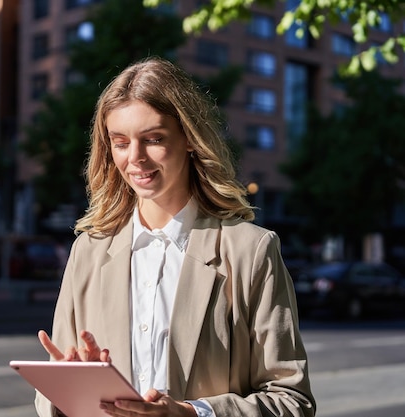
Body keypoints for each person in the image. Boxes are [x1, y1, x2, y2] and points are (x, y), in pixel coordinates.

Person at [34, 57, 315, 417]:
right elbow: (50, 405)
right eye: (120, 142)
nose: (135, 158)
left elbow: (293, 401)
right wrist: (69, 390)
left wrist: (192, 413)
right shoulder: (88, 252)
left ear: (189, 140)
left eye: (153, 139)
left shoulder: (250, 250)